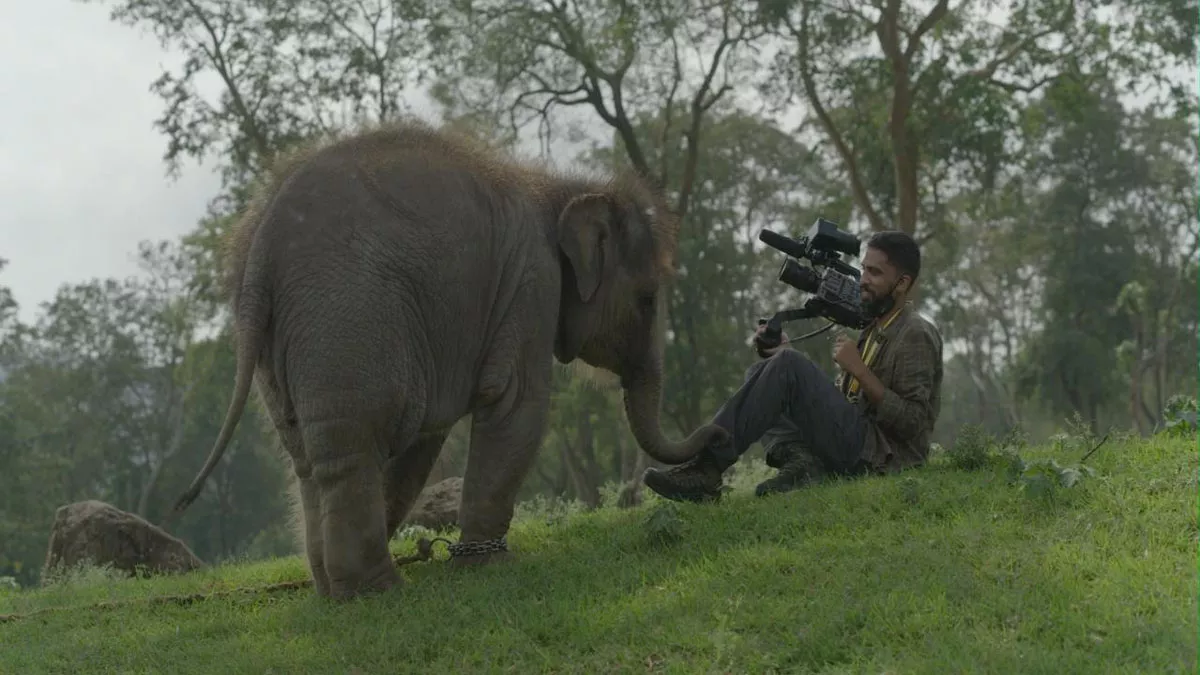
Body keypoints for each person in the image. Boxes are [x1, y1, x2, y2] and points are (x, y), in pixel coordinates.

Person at [643, 230, 944, 502]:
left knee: (787, 365)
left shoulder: (915, 333)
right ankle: (804, 466)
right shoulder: (875, 326)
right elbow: (846, 402)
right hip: (858, 441)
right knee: (764, 369)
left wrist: (861, 372)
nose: (863, 279)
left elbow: (914, 423)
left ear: (902, 283)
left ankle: (706, 469)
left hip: (883, 457)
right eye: (864, 269)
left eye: (875, 273)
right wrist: (783, 355)